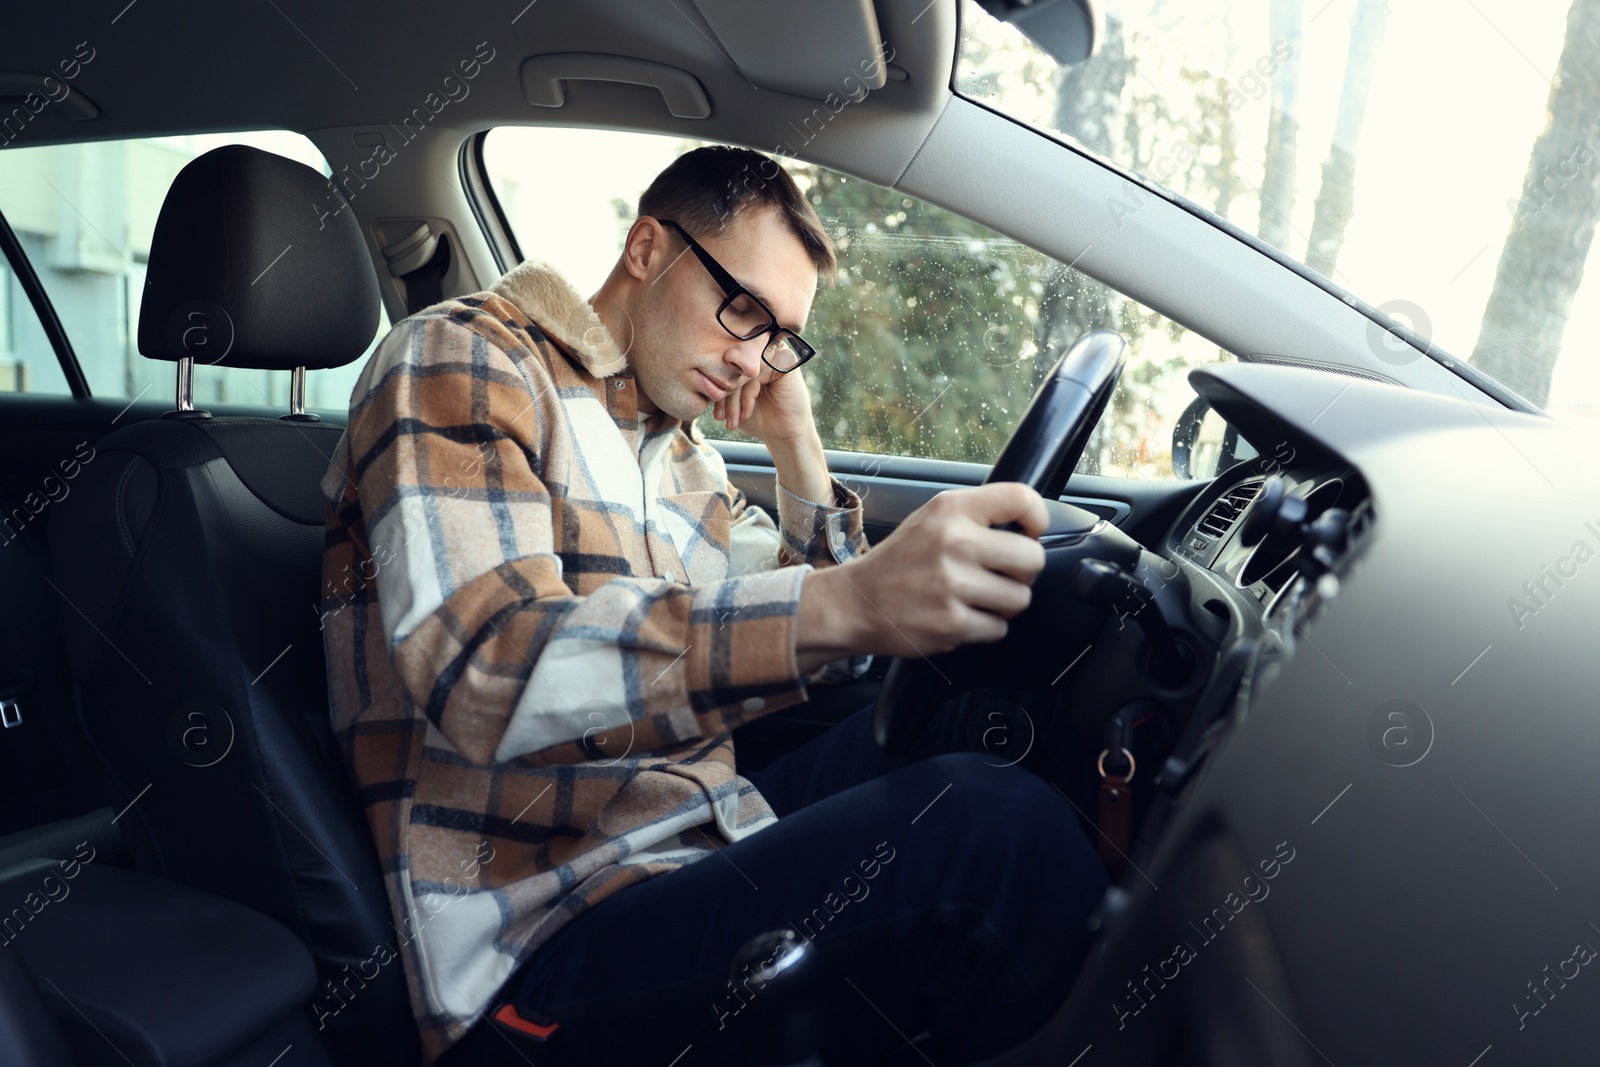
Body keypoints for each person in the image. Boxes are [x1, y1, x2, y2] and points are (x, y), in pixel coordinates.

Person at [319, 145, 1108, 1066]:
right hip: (539, 933)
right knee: (991, 832)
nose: (752, 359)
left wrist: (796, 441)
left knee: (984, 720)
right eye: (742, 309)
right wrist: (843, 600)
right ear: (648, 248)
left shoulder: (682, 453)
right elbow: (485, 668)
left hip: (693, 835)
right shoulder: (463, 356)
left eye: (782, 338)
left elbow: (840, 651)